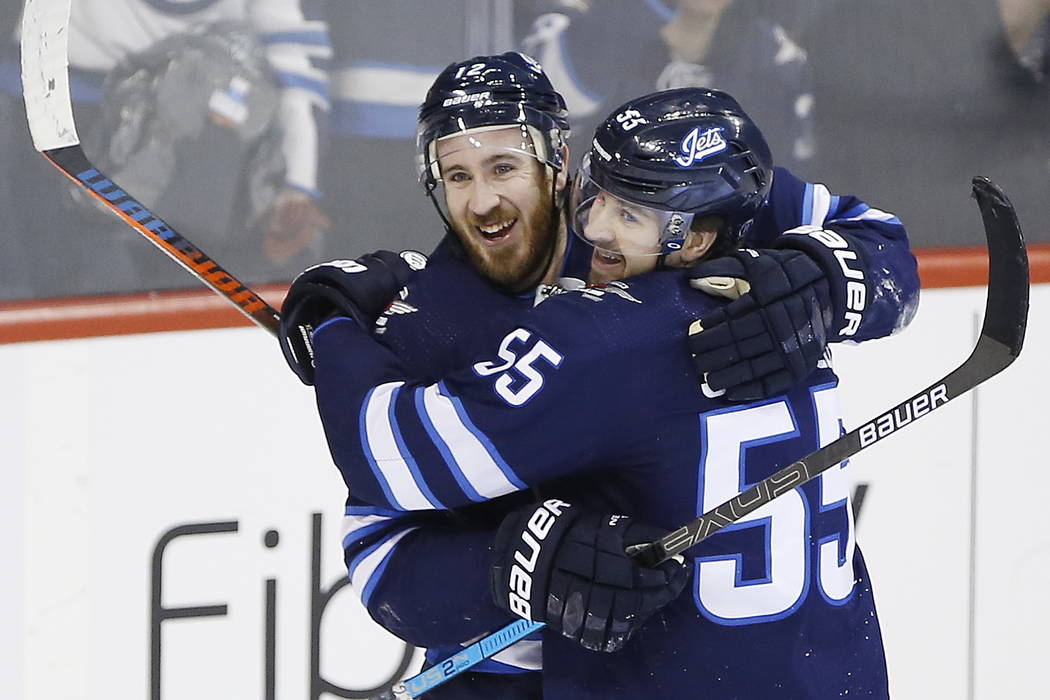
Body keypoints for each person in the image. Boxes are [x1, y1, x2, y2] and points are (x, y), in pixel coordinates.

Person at [280, 54, 918, 697]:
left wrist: (821, 275)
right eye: (456, 176)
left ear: (558, 162)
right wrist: (508, 566)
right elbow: (379, 550)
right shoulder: (431, 322)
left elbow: (882, 247)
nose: (482, 201)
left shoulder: (659, 185)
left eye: (503, 167)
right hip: (527, 677)